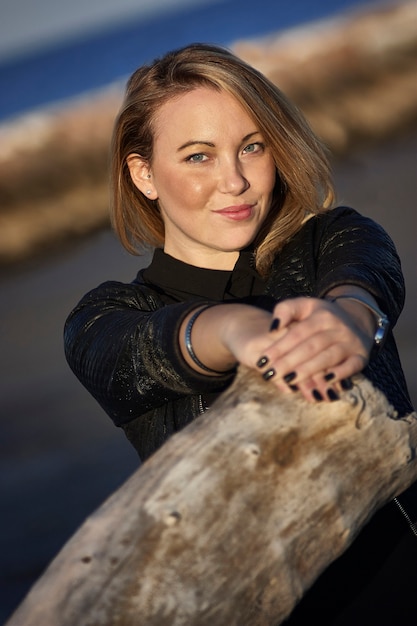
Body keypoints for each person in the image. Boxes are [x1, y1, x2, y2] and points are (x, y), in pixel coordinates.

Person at [64, 44, 416, 624]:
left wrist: (351, 321)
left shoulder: (331, 238)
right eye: (198, 157)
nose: (234, 181)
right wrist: (239, 331)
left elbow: (363, 281)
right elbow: (139, 349)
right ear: (144, 173)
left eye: (251, 147)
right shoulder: (104, 316)